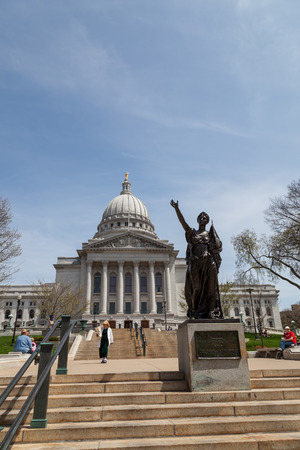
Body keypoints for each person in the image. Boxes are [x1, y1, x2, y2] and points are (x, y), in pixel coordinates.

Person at [170, 200, 223, 319]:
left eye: (205, 217)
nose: (203, 218)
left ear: (207, 221)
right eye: (201, 216)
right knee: (196, 288)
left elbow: (218, 246)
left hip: (209, 262)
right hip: (196, 263)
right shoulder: (192, 233)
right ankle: (195, 311)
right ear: (198, 220)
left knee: (211, 288)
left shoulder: (210, 234)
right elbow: (183, 223)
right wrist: (177, 209)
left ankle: (210, 311)